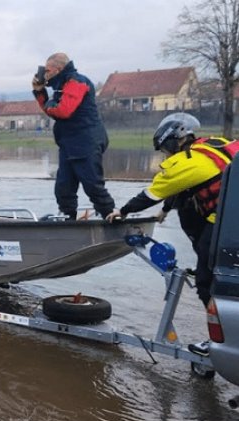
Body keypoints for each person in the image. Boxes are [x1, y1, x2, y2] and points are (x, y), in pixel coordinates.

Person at [106, 113, 238, 354]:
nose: (166, 154)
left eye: (165, 148)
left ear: (176, 139)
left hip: (224, 225)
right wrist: (165, 210)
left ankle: (221, 342)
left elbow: (151, 193)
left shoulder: (186, 162)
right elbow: (188, 185)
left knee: (207, 283)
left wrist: (122, 211)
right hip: (231, 218)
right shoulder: (215, 145)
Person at [32, 52, 115, 220]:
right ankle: (67, 217)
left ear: (58, 69)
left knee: (92, 184)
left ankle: (111, 215)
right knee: (63, 187)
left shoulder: (77, 82)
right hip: (69, 143)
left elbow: (63, 111)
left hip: (86, 141)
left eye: (47, 70)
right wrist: (40, 93)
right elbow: (54, 110)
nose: (44, 74)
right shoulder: (60, 87)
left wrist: (47, 101)